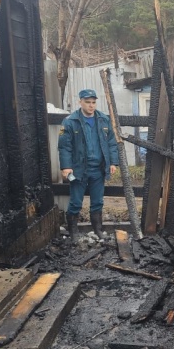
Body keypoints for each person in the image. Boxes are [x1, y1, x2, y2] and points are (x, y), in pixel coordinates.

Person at [58, 89, 120, 242]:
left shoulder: (103, 120)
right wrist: (66, 166)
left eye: (93, 102)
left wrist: (113, 162)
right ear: (80, 102)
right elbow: (64, 146)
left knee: (98, 200)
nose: (91, 105)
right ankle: (73, 232)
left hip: (98, 169)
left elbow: (112, 143)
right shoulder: (70, 121)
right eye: (87, 102)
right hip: (79, 169)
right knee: (76, 201)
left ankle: (98, 230)